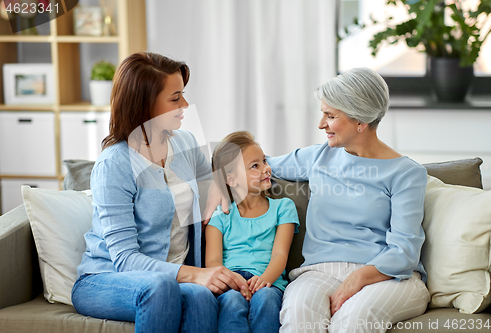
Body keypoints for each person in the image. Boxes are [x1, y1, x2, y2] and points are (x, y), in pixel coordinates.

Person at [71, 52, 250, 333]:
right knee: (161, 286)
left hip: (172, 278)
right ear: (146, 104)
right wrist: (195, 274)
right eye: (175, 98)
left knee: (201, 296)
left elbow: (214, 175)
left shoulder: (185, 143)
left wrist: (217, 186)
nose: (185, 105)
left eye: (183, 95)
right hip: (105, 279)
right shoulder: (115, 164)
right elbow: (125, 259)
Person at [264, 67, 431, 333]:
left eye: (330, 116)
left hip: (388, 276)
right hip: (319, 272)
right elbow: (252, 164)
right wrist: (217, 181)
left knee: (354, 320)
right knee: (298, 313)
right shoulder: (317, 158)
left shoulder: (406, 173)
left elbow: (405, 251)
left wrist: (359, 278)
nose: (321, 124)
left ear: (360, 122)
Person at [206, 131, 299, 333]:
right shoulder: (220, 216)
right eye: (255, 166)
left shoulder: (283, 207)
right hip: (231, 281)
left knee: (265, 298)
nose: (266, 168)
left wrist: (265, 278)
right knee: (231, 300)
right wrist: (233, 281)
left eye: (264, 161)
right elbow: (213, 262)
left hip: (268, 280)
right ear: (231, 179)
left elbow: (280, 254)